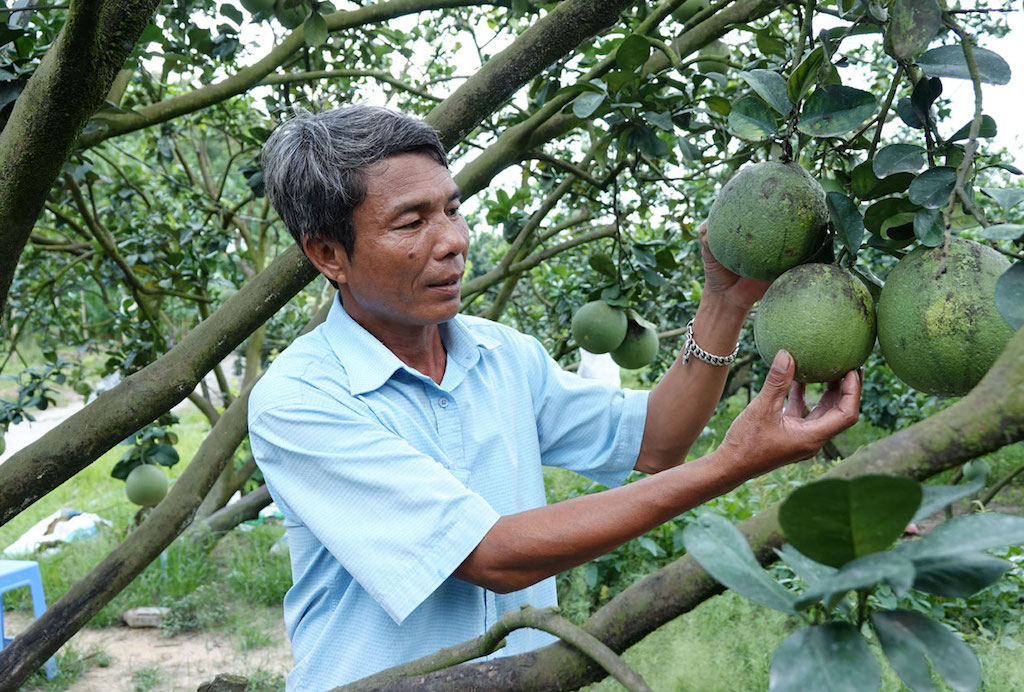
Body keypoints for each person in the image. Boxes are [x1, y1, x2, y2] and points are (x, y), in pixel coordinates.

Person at [248, 105, 862, 690]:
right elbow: (492, 554)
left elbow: (656, 440)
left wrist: (725, 302)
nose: (453, 241)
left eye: (453, 210)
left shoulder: (501, 356)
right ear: (329, 254)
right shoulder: (301, 401)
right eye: (412, 222)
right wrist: (731, 465)